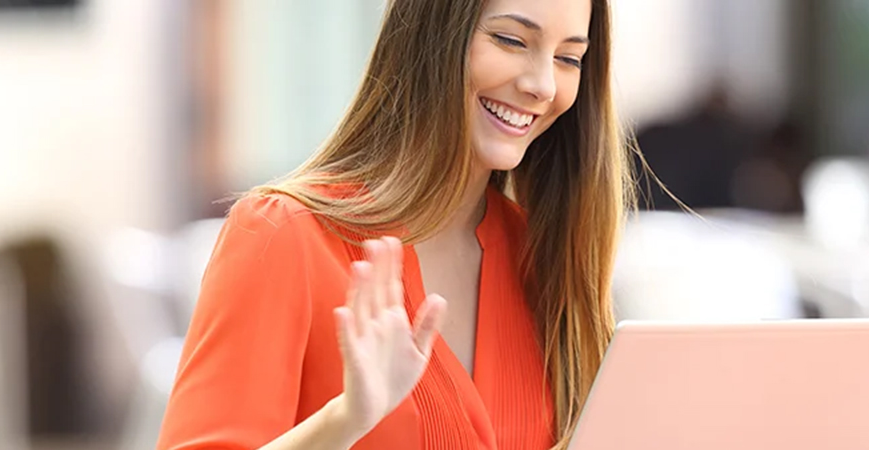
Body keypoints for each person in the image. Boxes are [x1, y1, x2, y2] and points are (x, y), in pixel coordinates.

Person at [156, 0, 633, 448]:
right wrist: (345, 420)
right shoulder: (284, 235)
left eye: (569, 59)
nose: (544, 85)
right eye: (511, 40)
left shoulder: (543, 258)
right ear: (432, 35)